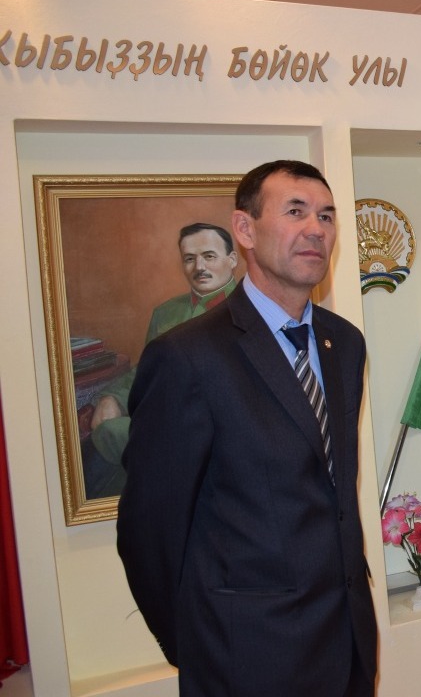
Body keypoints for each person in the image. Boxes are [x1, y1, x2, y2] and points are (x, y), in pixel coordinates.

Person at [116, 160, 377, 695]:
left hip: (347, 640)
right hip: (244, 656)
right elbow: (149, 529)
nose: (316, 229)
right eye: (296, 212)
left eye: (327, 216)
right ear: (245, 229)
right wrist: (194, 643)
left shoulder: (345, 342)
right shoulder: (187, 357)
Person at [88, 223, 240, 474]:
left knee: (113, 440)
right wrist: (112, 397)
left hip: (221, 434)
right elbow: (147, 370)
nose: (199, 267)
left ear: (232, 259)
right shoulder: (166, 312)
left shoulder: (251, 310)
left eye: (209, 256)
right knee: (102, 442)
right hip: (164, 422)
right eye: (189, 259)